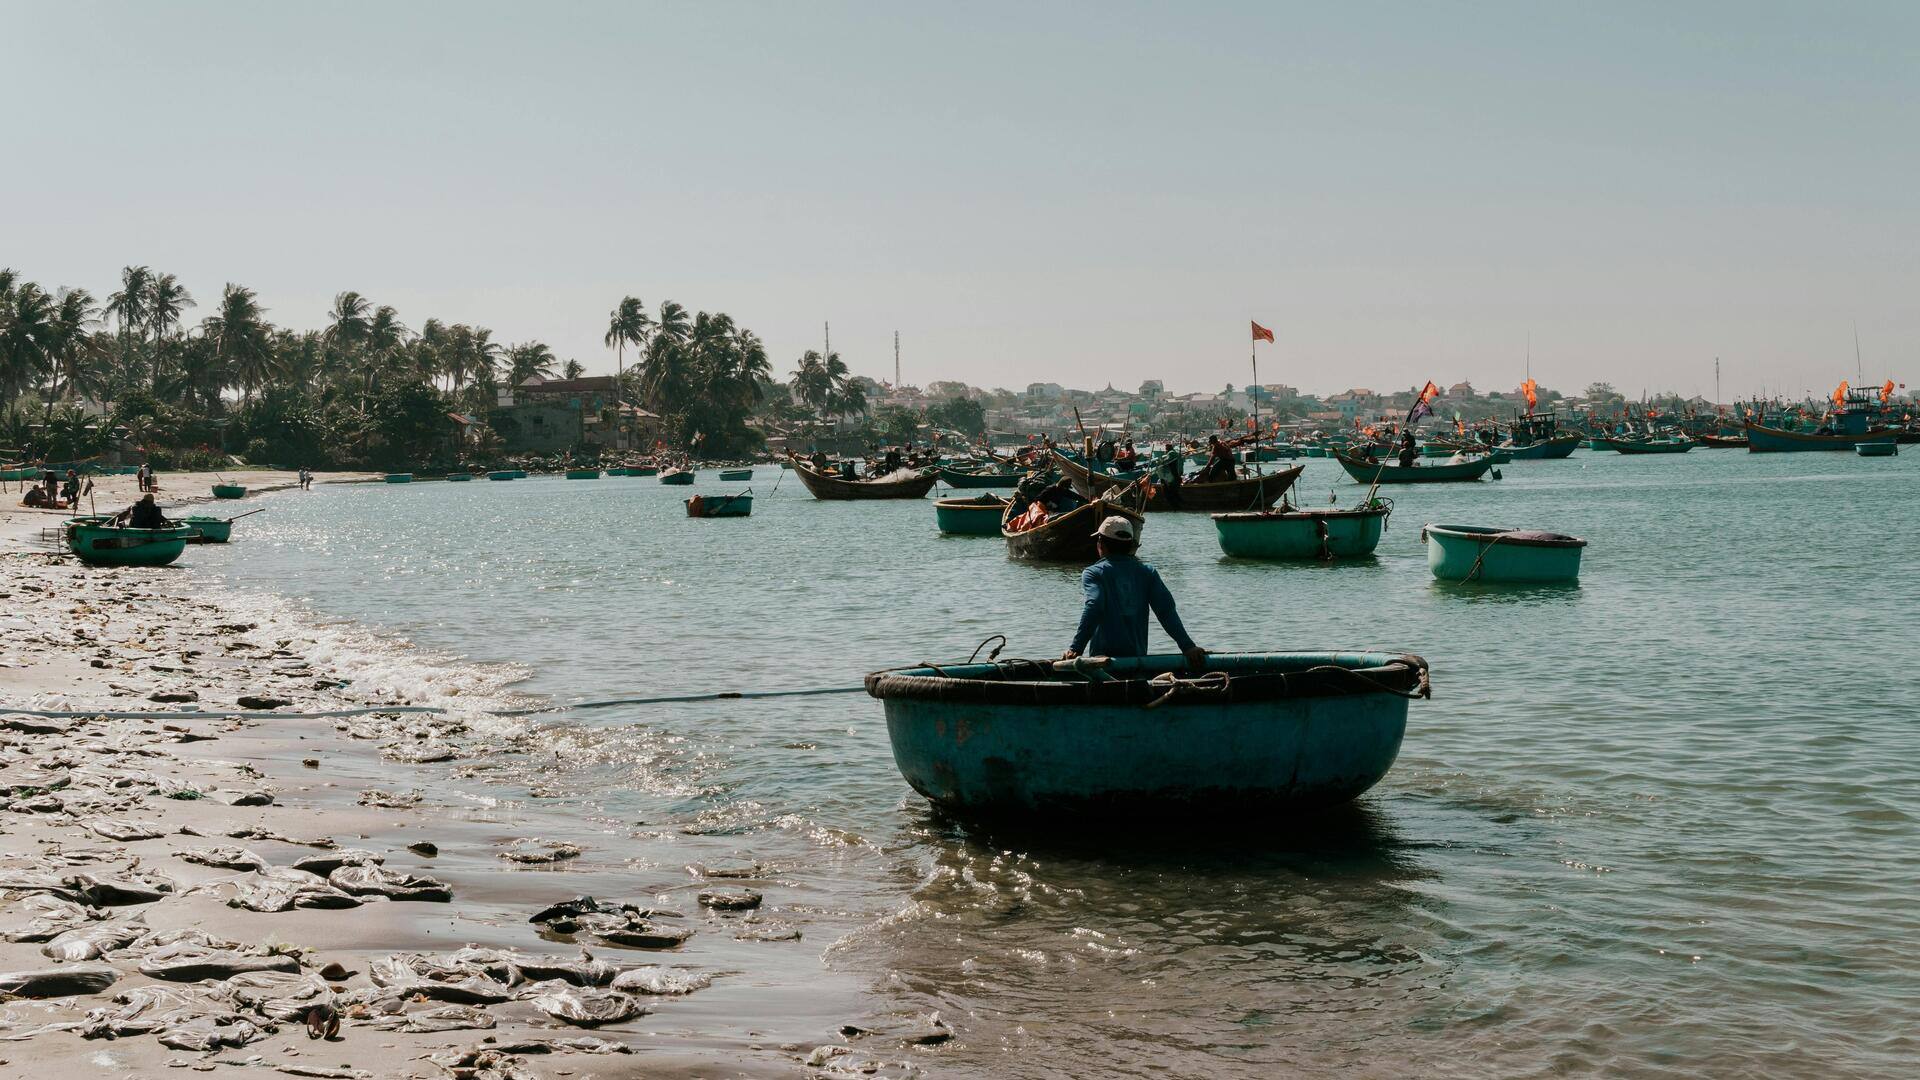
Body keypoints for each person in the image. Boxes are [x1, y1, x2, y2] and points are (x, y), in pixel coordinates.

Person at [1061, 516, 1206, 667]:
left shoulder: (1093, 573)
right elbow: (1166, 612)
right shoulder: (1148, 572)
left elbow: (1094, 605)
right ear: (1131, 546)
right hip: (1138, 662)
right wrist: (1188, 647)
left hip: (1103, 664)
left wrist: (1076, 649)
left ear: (1101, 544)